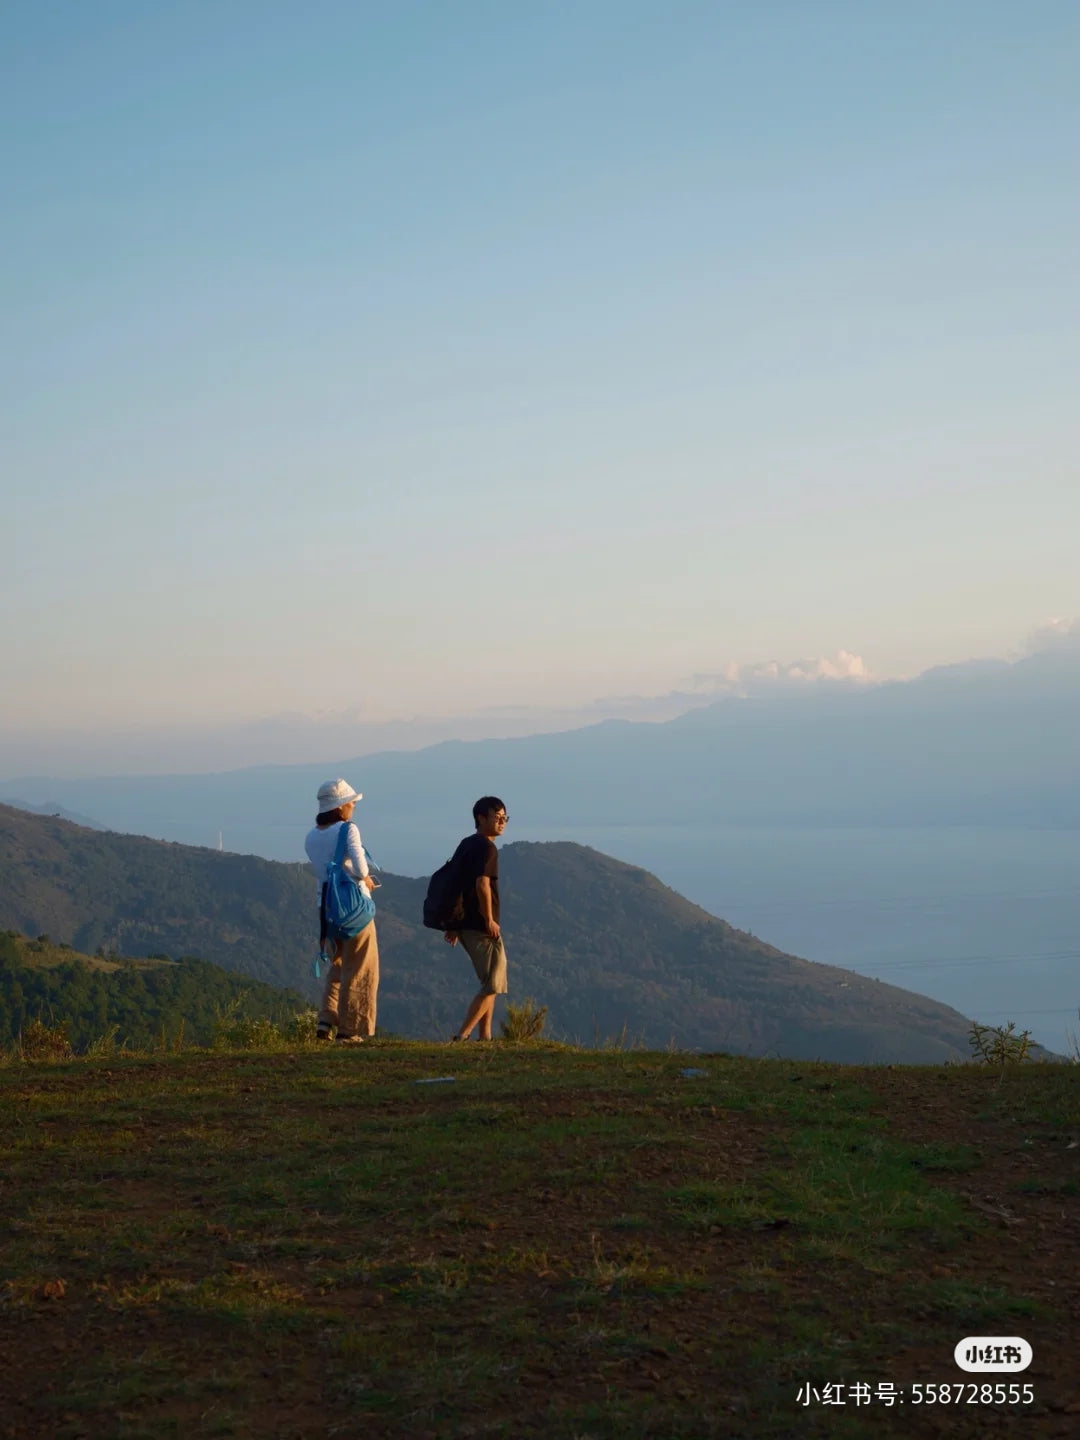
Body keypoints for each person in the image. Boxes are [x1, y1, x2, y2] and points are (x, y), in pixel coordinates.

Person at [304, 778, 380, 1045]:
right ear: (341, 807)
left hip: (327, 909)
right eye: (351, 804)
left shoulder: (311, 836)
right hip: (353, 909)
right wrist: (367, 879)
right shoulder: (348, 830)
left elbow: (322, 875)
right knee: (360, 968)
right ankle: (349, 1031)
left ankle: (325, 1022)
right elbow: (359, 869)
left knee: (337, 967)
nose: (353, 808)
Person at [445, 796, 509, 1041]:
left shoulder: (467, 844)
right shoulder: (487, 848)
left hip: (465, 923)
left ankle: (485, 1037)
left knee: (488, 981)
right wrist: (489, 919)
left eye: (505, 818)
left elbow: (455, 883)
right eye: (497, 817)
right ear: (481, 819)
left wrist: (454, 924)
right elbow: (482, 884)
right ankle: (463, 1036)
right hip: (480, 925)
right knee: (494, 983)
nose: (502, 822)